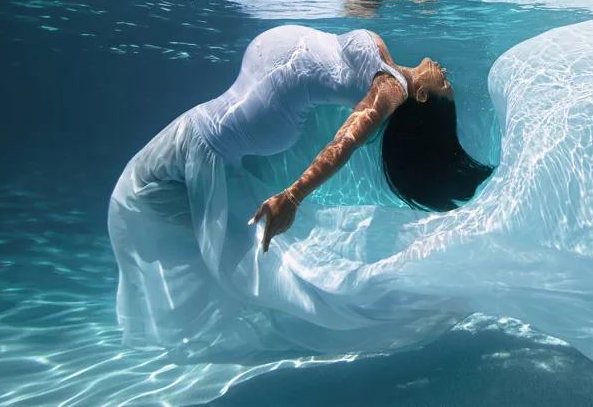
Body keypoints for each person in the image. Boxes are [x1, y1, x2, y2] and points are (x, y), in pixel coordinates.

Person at [107, 25, 492, 350]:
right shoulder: (387, 65)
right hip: (234, 126)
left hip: (227, 132)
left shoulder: (391, 89)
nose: (444, 70)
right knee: (191, 214)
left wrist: (292, 197)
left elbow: (345, 142)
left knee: (155, 198)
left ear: (422, 95)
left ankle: (288, 306)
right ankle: (247, 301)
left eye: (444, 82)